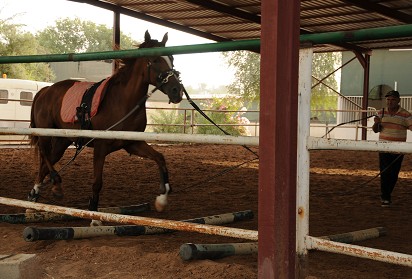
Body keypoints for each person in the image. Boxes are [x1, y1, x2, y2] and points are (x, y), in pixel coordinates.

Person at [372, 90, 412, 207]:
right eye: (388, 99)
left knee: (394, 173)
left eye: (393, 99)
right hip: (384, 147)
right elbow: (375, 130)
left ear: (398, 101)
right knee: (385, 172)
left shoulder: (405, 114)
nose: (390, 102)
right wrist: (377, 123)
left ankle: (387, 194)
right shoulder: (381, 112)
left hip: (399, 149)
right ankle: (385, 196)